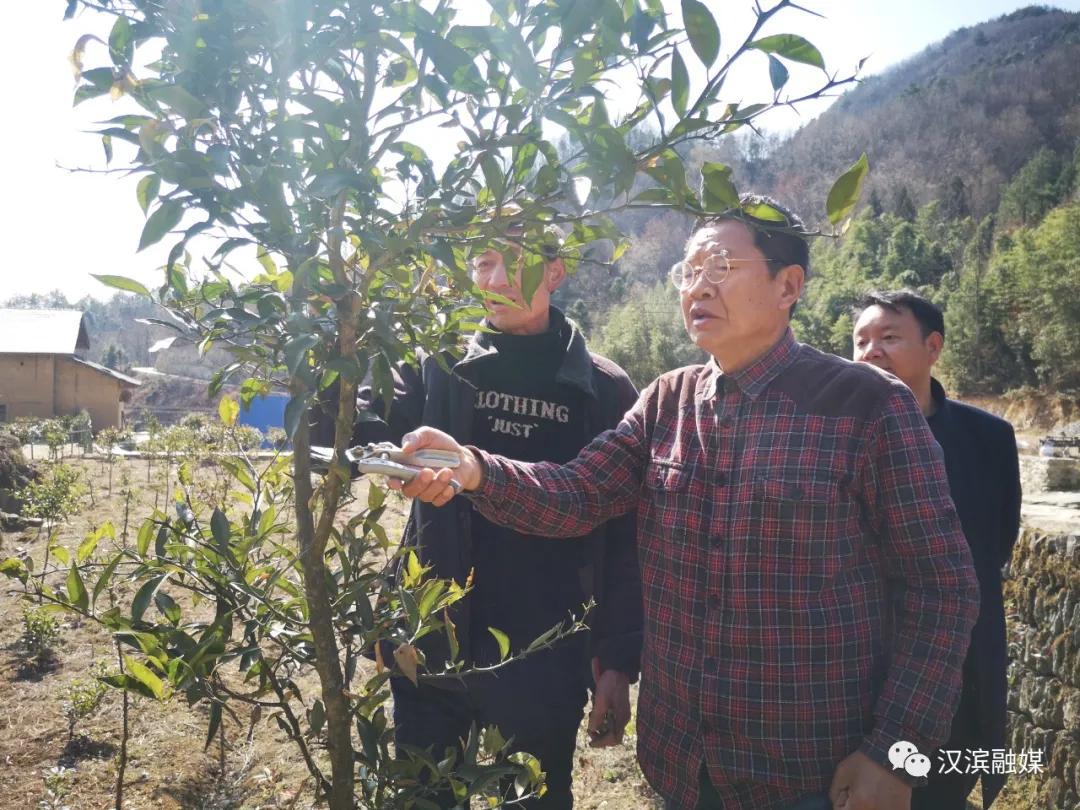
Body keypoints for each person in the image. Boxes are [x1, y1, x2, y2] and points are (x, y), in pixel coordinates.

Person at [391, 195, 982, 810]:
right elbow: (579, 493)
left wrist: (895, 750)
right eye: (689, 270)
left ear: (789, 285)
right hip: (682, 771)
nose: (698, 286)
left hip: (815, 772)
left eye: (720, 267)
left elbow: (940, 588)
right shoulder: (666, 401)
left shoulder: (865, 404)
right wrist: (475, 469)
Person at [320, 217, 642, 809]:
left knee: (531, 799)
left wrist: (616, 661)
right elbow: (349, 430)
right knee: (423, 797)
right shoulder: (435, 365)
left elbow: (625, 535)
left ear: (554, 270)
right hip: (432, 644)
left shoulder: (602, 387)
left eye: (506, 259)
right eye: (479, 262)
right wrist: (330, 341)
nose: (488, 276)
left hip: (544, 654)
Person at [852, 290, 1022, 810]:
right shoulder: (836, 437)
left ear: (933, 346)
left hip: (958, 664)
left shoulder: (987, 437)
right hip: (857, 667)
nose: (871, 351)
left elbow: (996, 541)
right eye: (860, 341)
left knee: (941, 790)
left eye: (889, 337)